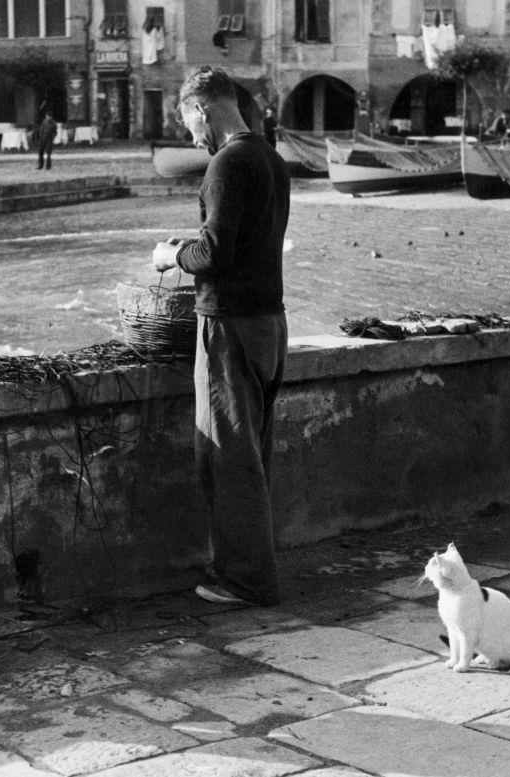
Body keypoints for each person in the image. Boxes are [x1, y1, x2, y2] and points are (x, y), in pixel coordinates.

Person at [152, 67, 290, 607]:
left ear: (202, 109)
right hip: (270, 323)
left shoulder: (226, 163)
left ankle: (248, 580)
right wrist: (198, 242)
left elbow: (214, 254)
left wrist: (170, 256)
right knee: (253, 453)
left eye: (187, 120)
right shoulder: (270, 159)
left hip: (230, 326)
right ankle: (253, 567)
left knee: (228, 458)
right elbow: (240, 240)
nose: (189, 135)